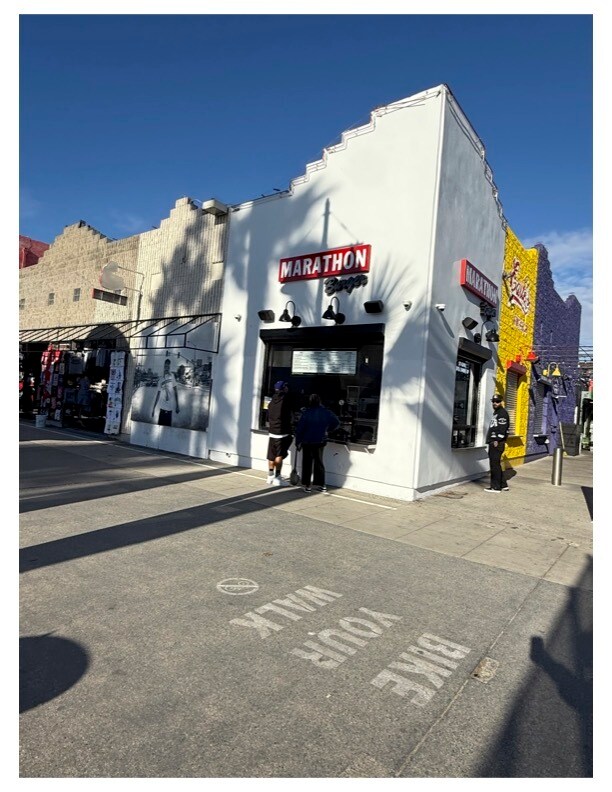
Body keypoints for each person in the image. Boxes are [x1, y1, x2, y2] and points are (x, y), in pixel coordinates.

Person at [295, 394, 340, 493]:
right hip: (320, 440)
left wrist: (298, 442)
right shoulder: (326, 412)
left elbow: (300, 429)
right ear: (320, 401)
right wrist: (328, 430)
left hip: (307, 441)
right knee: (319, 462)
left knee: (307, 462)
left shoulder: (306, 413)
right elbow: (336, 422)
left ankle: (307, 485)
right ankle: (322, 484)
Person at [266, 381, 293, 486]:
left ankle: (270, 476)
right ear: (283, 388)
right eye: (286, 387)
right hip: (281, 432)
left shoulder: (272, 401)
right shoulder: (285, 401)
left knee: (271, 455)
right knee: (279, 455)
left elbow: (268, 415)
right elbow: (290, 416)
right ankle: (277, 477)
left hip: (272, 431)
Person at [485, 393, 510, 492]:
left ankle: (495, 487)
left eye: (497, 401)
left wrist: (497, 440)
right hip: (495, 442)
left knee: (494, 465)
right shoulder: (497, 413)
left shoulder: (502, 413)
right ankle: (503, 485)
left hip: (496, 443)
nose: (495, 403)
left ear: (501, 402)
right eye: (493, 402)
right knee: (496, 464)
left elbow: (502, 429)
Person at [152, 358, 180, 426]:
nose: (166, 368)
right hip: (162, 410)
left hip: (169, 410)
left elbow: (176, 391)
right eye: (165, 366)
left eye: (168, 366)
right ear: (164, 367)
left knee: (167, 430)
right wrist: (153, 408)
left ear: (169, 367)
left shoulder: (172, 377)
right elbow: (158, 395)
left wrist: (177, 405)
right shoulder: (161, 379)